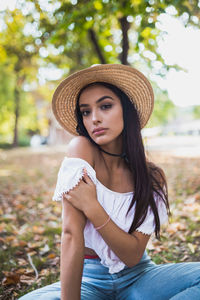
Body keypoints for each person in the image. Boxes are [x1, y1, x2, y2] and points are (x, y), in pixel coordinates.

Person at [19, 64, 200, 300]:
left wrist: (93, 208)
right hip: (89, 279)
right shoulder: (81, 150)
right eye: (85, 111)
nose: (94, 119)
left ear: (126, 110)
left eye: (105, 106)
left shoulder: (151, 177)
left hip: (139, 276)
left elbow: (133, 255)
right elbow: (71, 234)